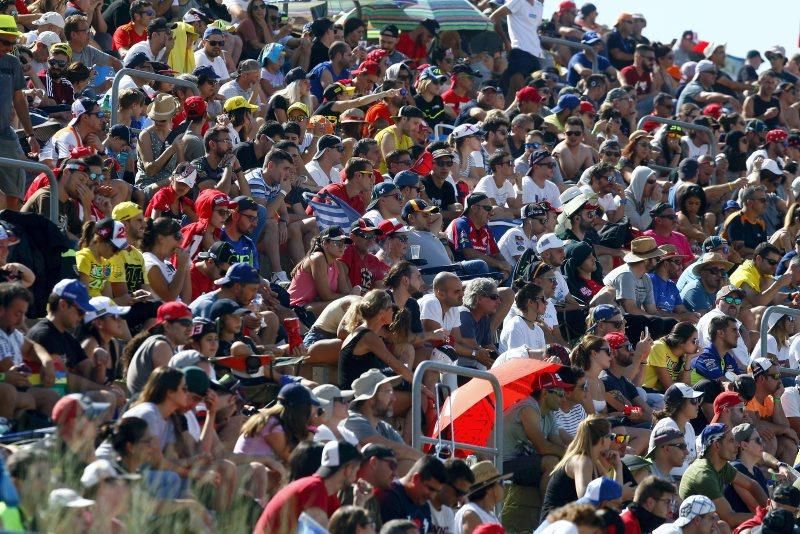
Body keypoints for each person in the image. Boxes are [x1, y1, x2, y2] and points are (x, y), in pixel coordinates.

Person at [254, 440, 363, 534]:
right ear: (348, 469)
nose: (356, 477)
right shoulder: (314, 489)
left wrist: (359, 502)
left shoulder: (315, 486)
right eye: (356, 470)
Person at [679, 423, 769, 527]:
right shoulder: (704, 475)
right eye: (731, 441)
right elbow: (730, 518)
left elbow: (752, 485)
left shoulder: (721, 465)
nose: (737, 445)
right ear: (717, 445)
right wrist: (767, 517)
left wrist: (769, 509)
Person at [540, 416, 623, 521]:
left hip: (567, 522)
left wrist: (617, 468)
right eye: (611, 437)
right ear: (602, 440)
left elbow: (615, 497)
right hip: (556, 525)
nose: (611, 441)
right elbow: (586, 502)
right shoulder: (582, 461)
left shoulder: (594, 462)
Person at [502, 371, 569, 498]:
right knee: (551, 462)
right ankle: (548, 513)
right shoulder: (528, 408)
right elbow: (543, 447)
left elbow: (558, 445)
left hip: (519, 462)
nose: (564, 399)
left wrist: (575, 456)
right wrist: (573, 454)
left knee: (566, 463)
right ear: (544, 393)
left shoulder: (550, 414)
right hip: (500, 465)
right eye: (560, 394)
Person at [342, 369, 422, 470]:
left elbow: (405, 451)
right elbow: (388, 450)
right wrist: (427, 461)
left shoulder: (384, 427)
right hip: (357, 483)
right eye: (388, 392)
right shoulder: (352, 419)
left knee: (409, 463)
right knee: (407, 465)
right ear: (371, 398)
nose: (394, 398)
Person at [234, 383, 317, 463]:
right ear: (301, 409)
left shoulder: (273, 419)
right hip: (247, 471)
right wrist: (311, 431)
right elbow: (292, 458)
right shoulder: (272, 424)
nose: (313, 411)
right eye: (310, 407)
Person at [123, 301, 193, 396]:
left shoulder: (161, 344)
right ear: (167, 326)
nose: (190, 328)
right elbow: (170, 388)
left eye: (191, 324)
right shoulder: (161, 345)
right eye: (185, 323)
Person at [745, 357, 799, 463]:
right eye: (776, 376)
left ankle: (782, 479)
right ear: (761, 379)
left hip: (760, 449)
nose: (780, 380)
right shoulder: (748, 397)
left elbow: (784, 426)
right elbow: (755, 425)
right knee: (769, 440)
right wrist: (786, 430)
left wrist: (777, 398)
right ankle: (764, 478)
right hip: (744, 448)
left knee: (789, 445)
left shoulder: (770, 399)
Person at [375, 454, 447, 531]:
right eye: (430, 489)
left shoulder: (424, 505)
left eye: (437, 491)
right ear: (416, 478)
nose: (432, 496)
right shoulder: (389, 497)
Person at [454, 461, 507, 534]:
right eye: (500, 482)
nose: (504, 486)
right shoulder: (470, 514)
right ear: (489, 489)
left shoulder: (488, 514)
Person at [643, 322, 698, 392]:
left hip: (659, 394)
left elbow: (685, 385)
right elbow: (669, 387)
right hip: (645, 390)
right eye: (695, 341)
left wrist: (689, 359)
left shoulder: (683, 356)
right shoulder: (659, 347)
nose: (697, 345)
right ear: (681, 341)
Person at [429, 458, 474, 534]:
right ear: (444, 481)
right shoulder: (422, 504)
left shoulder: (448, 512)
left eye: (464, 494)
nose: (460, 499)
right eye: (459, 492)